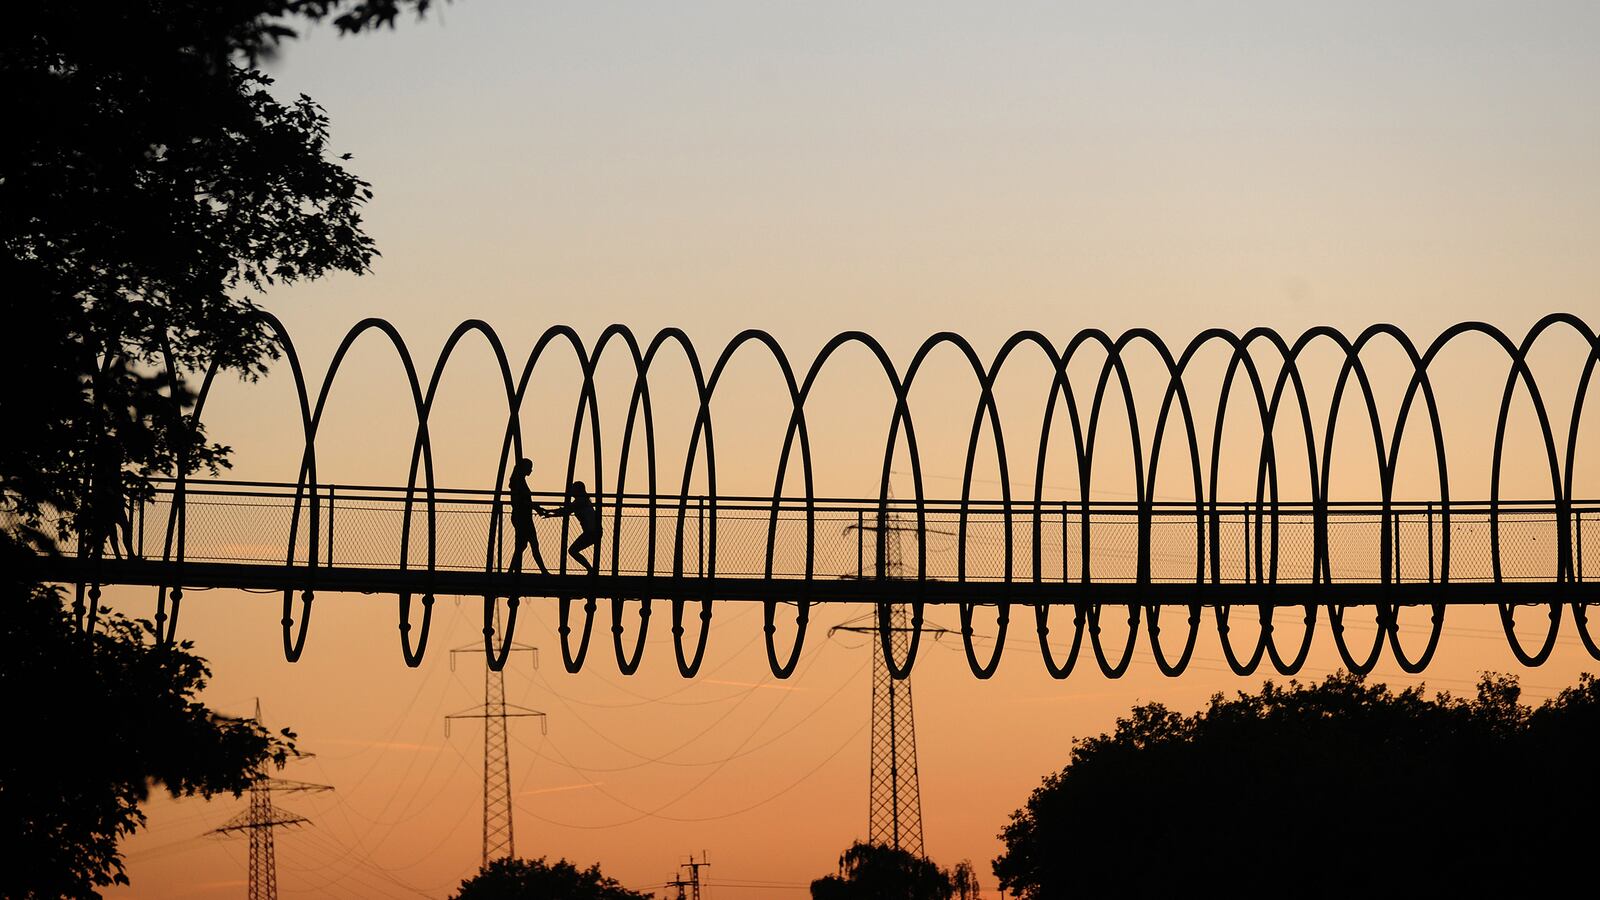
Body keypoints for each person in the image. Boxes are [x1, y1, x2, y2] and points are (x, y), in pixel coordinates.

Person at [542, 480, 601, 575]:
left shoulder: (580, 501)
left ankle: (591, 570)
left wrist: (550, 512)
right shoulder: (583, 500)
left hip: (591, 532)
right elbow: (566, 510)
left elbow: (566, 511)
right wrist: (550, 513)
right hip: (593, 531)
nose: (571, 491)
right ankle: (591, 570)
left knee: (572, 550)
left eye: (573, 489)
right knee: (573, 550)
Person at [507, 458, 549, 574]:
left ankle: (511, 571)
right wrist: (535, 507)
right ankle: (544, 572)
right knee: (532, 544)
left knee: (522, 546)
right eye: (529, 467)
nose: (531, 470)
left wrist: (535, 507)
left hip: (523, 517)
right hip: (522, 518)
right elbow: (520, 501)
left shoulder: (519, 480)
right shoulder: (518, 482)